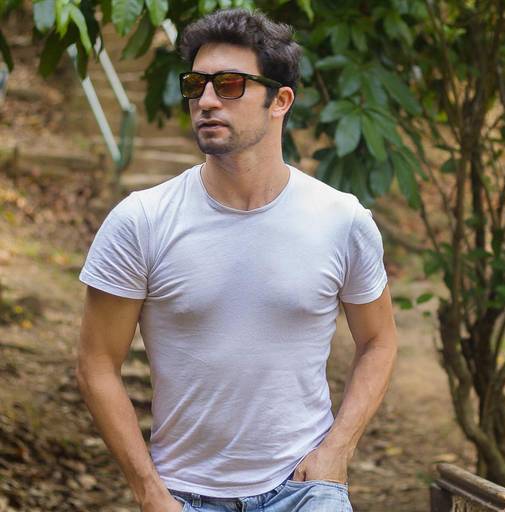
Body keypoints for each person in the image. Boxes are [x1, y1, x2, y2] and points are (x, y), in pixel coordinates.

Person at [76, 8, 398, 512]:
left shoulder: (342, 220)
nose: (206, 101)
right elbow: (96, 362)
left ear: (280, 101)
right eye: (196, 85)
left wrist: (338, 449)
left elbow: (378, 340)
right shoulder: (141, 221)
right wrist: (150, 492)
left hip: (304, 489)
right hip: (184, 494)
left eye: (229, 85)